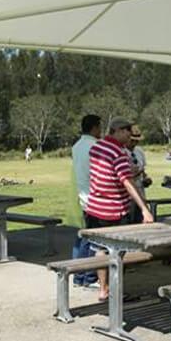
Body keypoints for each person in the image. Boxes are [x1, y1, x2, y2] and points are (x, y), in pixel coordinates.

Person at [86, 117, 154, 301]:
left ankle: (103, 289)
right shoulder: (118, 152)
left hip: (94, 207)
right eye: (127, 132)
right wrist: (144, 209)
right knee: (119, 251)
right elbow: (127, 181)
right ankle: (115, 289)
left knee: (100, 249)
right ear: (118, 130)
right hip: (114, 209)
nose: (129, 136)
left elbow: (108, 173)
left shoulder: (97, 148)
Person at [71, 115, 102, 288]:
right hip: (95, 198)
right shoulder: (95, 146)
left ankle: (79, 276)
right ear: (94, 128)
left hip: (83, 196)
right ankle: (89, 277)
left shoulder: (76, 146)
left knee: (85, 238)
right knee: (93, 240)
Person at [126, 125, 150, 224]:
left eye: (137, 141)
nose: (134, 143)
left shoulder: (139, 151)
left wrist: (146, 178)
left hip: (140, 193)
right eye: (132, 141)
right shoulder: (121, 152)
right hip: (127, 196)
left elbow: (143, 171)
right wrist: (135, 174)